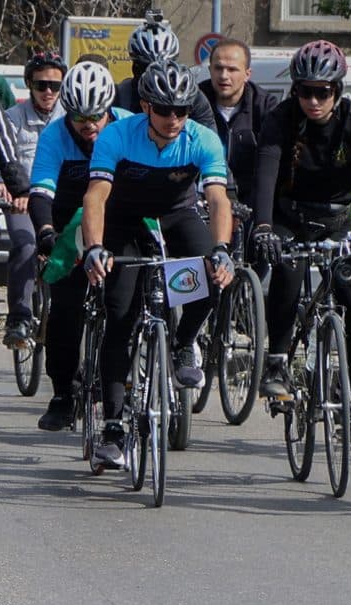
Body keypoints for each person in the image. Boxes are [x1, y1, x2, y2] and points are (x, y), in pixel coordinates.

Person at [76, 60, 236, 470]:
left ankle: (183, 345)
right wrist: (95, 247)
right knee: (121, 314)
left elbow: (218, 199)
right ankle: (112, 428)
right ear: (146, 106)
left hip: (176, 216)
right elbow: (95, 196)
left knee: (210, 277)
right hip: (124, 221)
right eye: (164, 109)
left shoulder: (202, 138)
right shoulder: (117, 135)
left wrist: (221, 248)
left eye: (181, 110)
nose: (173, 119)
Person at [248, 40, 351, 401]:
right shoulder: (280, 120)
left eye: (322, 92)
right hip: (291, 216)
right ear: (295, 90)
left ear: (337, 90)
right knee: (288, 269)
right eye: (305, 91)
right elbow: (266, 176)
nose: (313, 101)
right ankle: (277, 362)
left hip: (338, 221)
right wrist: (265, 228)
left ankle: (350, 388)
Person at [25, 59, 123, 433]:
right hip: (69, 222)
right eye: (80, 115)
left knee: (125, 305)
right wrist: (47, 232)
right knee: (65, 311)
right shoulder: (54, 136)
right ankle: (63, 392)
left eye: (96, 115)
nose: (89, 124)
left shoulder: (129, 126)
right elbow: (40, 192)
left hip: (118, 218)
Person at [0, 52, 64, 344]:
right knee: (25, 244)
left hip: (60, 202)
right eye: (40, 85)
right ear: (28, 84)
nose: (48, 92)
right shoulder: (11, 119)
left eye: (55, 86)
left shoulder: (72, 119)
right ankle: (19, 318)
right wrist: (5, 188)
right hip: (21, 200)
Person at [112, 14, 218, 130]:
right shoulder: (121, 96)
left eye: (180, 111)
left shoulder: (194, 97)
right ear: (135, 68)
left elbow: (208, 139)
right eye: (146, 68)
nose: (155, 76)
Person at [201, 38, 274, 197]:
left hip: (251, 200)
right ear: (210, 70)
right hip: (205, 197)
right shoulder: (194, 102)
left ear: (247, 74)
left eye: (232, 69)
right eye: (218, 68)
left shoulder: (265, 106)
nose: (223, 76)